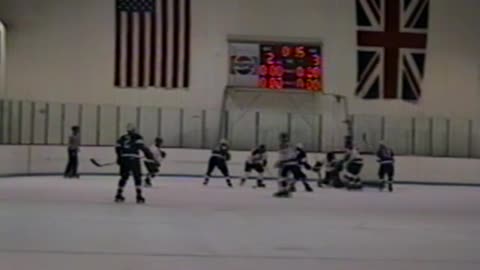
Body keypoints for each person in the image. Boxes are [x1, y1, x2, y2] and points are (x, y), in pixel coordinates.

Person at [114, 123, 155, 204]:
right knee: (137, 177)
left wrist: (119, 158)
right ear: (134, 130)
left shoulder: (122, 138)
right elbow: (143, 147)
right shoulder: (137, 137)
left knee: (124, 177)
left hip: (124, 159)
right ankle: (139, 196)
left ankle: (118, 195)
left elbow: (117, 148)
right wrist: (150, 156)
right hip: (134, 160)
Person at [273, 133, 302, 198]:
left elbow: (293, 155)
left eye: (284, 137)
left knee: (283, 178)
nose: (282, 139)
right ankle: (283, 191)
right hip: (286, 164)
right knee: (282, 178)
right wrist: (279, 162)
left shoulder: (289, 145)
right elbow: (282, 155)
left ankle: (285, 190)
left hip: (289, 164)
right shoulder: (281, 145)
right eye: (282, 137)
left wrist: (281, 162)